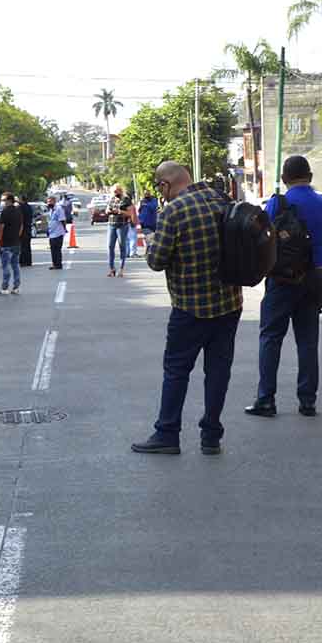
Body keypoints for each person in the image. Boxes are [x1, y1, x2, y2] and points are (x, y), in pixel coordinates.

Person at [132, 162, 242, 455]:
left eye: (159, 186)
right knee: (218, 370)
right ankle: (211, 437)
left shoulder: (174, 210)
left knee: (177, 370)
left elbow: (156, 261)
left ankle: (167, 433)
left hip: (190, 307)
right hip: (230, 303)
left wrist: (152, 239)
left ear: (166, 184)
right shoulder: (223, 200)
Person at [247, 155, 322, 418]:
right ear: (310, 177)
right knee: (308, 341)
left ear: (284, 179)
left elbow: (261, 237)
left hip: (282, 279)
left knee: (271, 337)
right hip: (313, 277)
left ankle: (266, 399)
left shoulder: (278, 203)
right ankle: (307, 401)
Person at [0, 193, 25, 296]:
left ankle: (4, 287)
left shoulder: (5, 212)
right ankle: (16, 287)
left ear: (9, 200)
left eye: (3, 200)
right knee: (15, 265)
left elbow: (1, 227)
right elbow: (21, 226)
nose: (2, 202)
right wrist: (17, 236)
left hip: (6, 242)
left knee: (6, 266)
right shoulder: (18, 211)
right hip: (16, 242)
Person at [106, 192, 133, 276]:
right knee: (110, 246)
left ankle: (121, 269)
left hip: (122, 225)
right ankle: (112, 268)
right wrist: (109, 211)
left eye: (117, 191)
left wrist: (119, 211)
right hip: (111, 225)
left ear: (121, 191)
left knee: (122, 246)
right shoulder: (111, 199)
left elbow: (130, 214)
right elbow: (106, 210)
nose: (115, 193)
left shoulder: (126, 200)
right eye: (114, 191)